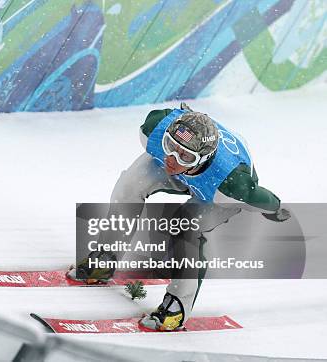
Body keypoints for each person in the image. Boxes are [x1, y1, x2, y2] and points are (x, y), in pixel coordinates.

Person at [76, 103, 289, 331]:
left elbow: (259, 197)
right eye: (170, 145)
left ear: (201, 159)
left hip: (213, 188)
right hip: (197, 174)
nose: (172, 159)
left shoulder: (231, 188)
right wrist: (178, 155)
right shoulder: (154, 130)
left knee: (184, 227)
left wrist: (276, 210)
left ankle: (178, 306)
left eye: (184, 156)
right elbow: (174, 150)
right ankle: (106, 256)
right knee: (128, 187)